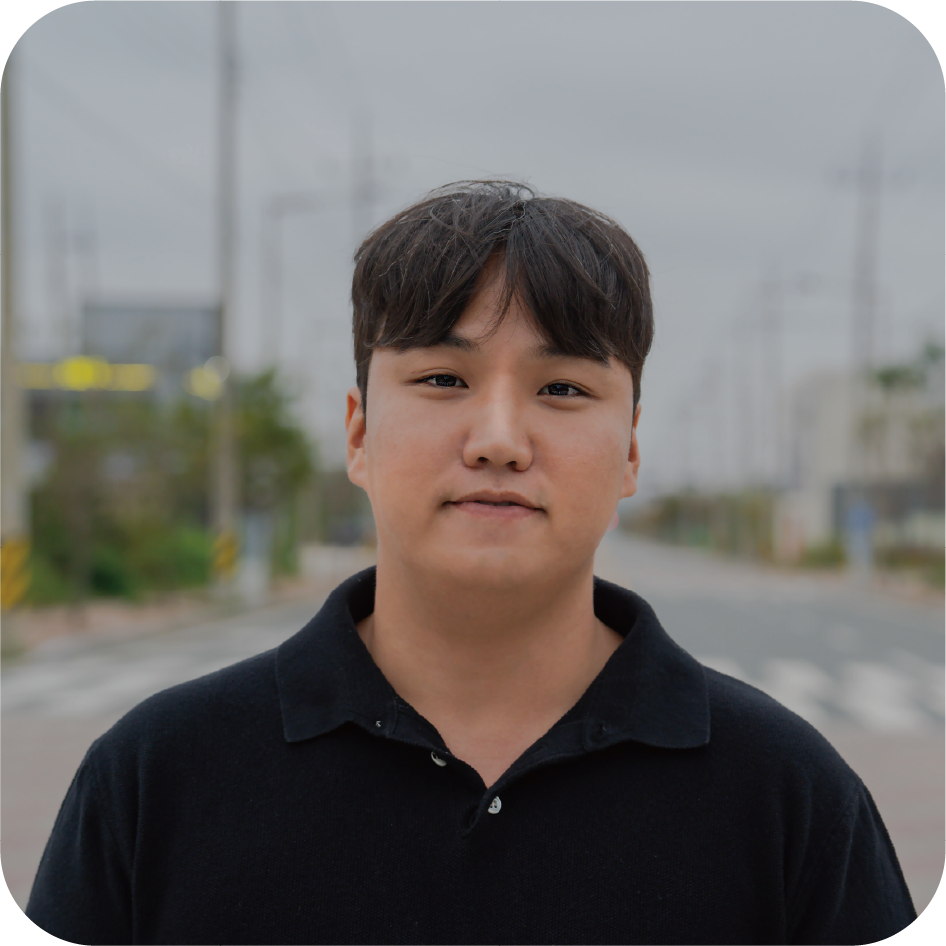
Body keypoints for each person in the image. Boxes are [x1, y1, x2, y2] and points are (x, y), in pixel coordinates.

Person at [26, 181, 916, 944]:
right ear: (358, 433)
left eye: (563, 388)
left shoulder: (789, 797)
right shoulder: (157, 777)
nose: (498, 440)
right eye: (443, 379)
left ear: (632, 452)